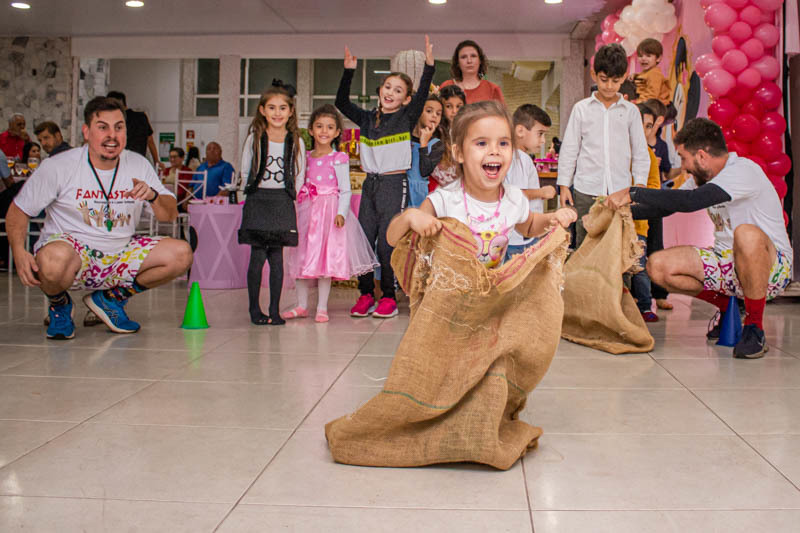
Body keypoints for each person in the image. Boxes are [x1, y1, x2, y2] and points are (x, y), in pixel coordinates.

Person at [6, 96, 192, 340]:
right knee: (51, 261)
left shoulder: (138, 164)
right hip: (72, 251)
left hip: (120, 251)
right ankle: (59, 304)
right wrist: (19, 252)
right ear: (87, 131)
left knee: (181, 253)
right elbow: (18, 211)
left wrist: (153, 195)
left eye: (119, 127)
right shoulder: (59, 166)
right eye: (102, 127)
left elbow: (169, 214)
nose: (111, 135)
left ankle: (108, 300)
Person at [605, 118, 792, 359]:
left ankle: (755, 327)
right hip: (727, 264)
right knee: (658, 266)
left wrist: (632, 192)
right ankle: (728, 308)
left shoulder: (743, 170)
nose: (683, 167)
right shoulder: (699, 179)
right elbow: (667, 207)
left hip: (772, 268)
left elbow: (690, 202)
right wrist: (618, 212)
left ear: (702, 156)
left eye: (684, 158)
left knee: (746, 233)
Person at [386, 100, 576, 266]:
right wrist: (410, 217)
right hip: (449, 300)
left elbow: (529, 225)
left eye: (503, 143)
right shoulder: (444, 200)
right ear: (459, 153)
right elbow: (393, 239)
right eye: (482, 143)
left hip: (489, 297)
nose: (494, 151)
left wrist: (553, 218)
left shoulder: (513, 198)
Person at [336, 35, 435, 319]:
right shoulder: (368, 119)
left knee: (387, 242)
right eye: (388, 87)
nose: (391, 92)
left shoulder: (405, 117)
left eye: (398, 90)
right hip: (371, 185)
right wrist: (349, 71)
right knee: (365, 240)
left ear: (406, 98)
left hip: (394, 184)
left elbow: (423, 92)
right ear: (381, 90)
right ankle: (366, 294)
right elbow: (341, 101)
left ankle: (389, 297)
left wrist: (429, 66)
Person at [283, 105, 377, 323]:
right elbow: (299, 182)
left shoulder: (339, 158)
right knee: (301, 257)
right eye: (319, 126)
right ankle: (301, 305)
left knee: (326, 260)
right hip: (307, 210)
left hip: (329, 212)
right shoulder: (305, 157)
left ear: (337, 133)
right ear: (311, 130)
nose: (324, 131)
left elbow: (345, 189)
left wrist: (341, 212)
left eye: (330, 127)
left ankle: (322, 307)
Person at [557, 43, 650, 249]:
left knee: (619, 248)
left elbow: (640, 152)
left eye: (615, 81)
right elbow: (570, 149)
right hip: (585, 190)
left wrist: (640, 185)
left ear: (624, 77)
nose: (609, 86)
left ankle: (621, 283)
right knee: (585, 247)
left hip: (621, 191)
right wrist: (564, 185)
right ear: (594, 74)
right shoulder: (581, 109)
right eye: (604, 79)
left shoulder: (630, 112)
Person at [238, 81, 306, 326]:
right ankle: (254, 311)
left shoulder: (295, 141)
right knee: (257, 258)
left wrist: (291, 196)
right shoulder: (254, 138)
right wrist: (245, 199)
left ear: (290, 112)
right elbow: (246, 170)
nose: (277, 113)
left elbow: (299, 172)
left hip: (281, 202)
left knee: (277, 259)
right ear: (262, 110)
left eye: (282, 108)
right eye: (272, 108)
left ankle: (274, 311)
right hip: (257, 200)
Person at [504, 104, 557, 261]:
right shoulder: (519, 158)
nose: (543, 141)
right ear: (520, 130)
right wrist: (542, 192)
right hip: (518, 238)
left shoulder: (516, 156)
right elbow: (515, 194)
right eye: (540, 134)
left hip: (518, 236)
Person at [629, 103, 664, 322]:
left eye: (649, 125)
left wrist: (637, 197)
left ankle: (644, 305)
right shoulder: (617, 152)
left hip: (639, 223)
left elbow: (654, 187)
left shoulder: (649, 155)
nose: (644, 130)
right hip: (616, 221)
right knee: (617, 267)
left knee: (639, 267)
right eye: (640, 124)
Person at [642, 98, 674, 310]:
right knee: (638, 247)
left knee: (656, 246)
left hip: (654, 198)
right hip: (636, 200)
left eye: (648, 125)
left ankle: (660, 293)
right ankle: (640, 295)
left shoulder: (660, 146)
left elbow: (667, 173)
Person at [440, 40, 505, 106]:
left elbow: (503, 115)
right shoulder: (446, 86)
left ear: (480, 60)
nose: (469, 61)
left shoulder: (493, 89)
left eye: (473, 56)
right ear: (458, 63)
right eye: (463, 57)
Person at [407, 94, 444, 207]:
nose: (434, 116)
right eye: (429, 111)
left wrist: (423, 144)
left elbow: (425, 171)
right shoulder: (405, 137)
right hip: (402, 190)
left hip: (421, 195)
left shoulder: (437, 144)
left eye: (438, 113)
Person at [106, 91, 161, 166]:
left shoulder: (116, 120)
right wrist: (156, 161)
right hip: (139, 162)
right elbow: (150, 141)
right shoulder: (142, 117)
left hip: (120, 163)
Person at [428, 85, 465, 192]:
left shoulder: (468, 130)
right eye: (449, 106)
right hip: (438, 187)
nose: (454, 111)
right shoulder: (435, 131)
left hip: (462, 187)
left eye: (459, 106)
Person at [632, 38, 671, 106]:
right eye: (640, 56)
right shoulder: (647, 72)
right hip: (647, 103)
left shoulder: (655, 74)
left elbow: (651, 96)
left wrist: (636, 102)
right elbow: (644, 78)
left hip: (657, 108)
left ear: (658, 58)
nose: (643, 59)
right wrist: (635, 76)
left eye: (648, 56)